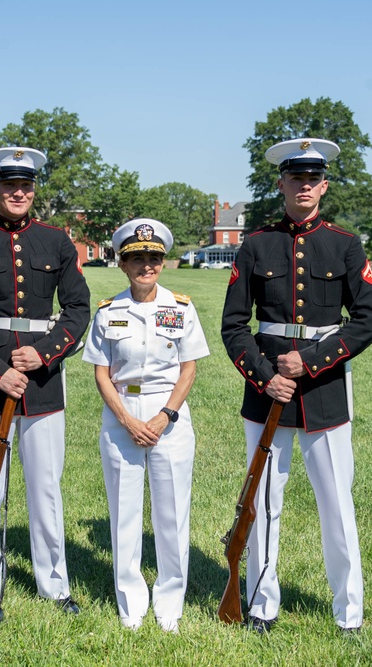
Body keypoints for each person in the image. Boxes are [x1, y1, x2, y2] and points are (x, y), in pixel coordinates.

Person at [220, 138, 372, 635]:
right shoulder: (255, 244)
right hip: (266, 393)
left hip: (325, 391)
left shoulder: (345, 244)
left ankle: (348, 612)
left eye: (314, 179)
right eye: (296, 178)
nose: (305, 186)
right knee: (263, 501)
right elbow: (233, 325)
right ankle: (261, 605)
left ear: (325, 185)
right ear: (281, 184)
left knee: (337, 503)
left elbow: (367, 322)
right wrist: (267, 377)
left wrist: (308, 363)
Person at [0, 146, 91, 621]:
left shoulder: (56, 241)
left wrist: (45, 352)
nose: (17, 192)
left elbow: (77, 309)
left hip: (44, 382)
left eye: (26, 185)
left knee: (46, 487)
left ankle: (55, 584)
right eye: (8, 185)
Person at [82, 219, 210, 633]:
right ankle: (131, 602)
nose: (146, 265)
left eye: (153, 258)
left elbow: (188, 369)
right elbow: (102, 374)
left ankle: (170, 602)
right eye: (137, 258)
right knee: (124, 513)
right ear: (122, 263)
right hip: (122, 413)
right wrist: (127, 420)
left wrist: (164, 416)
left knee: (172, 513)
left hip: (168, 413)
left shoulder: (182, 308)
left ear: (163, 262)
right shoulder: (108, 312)